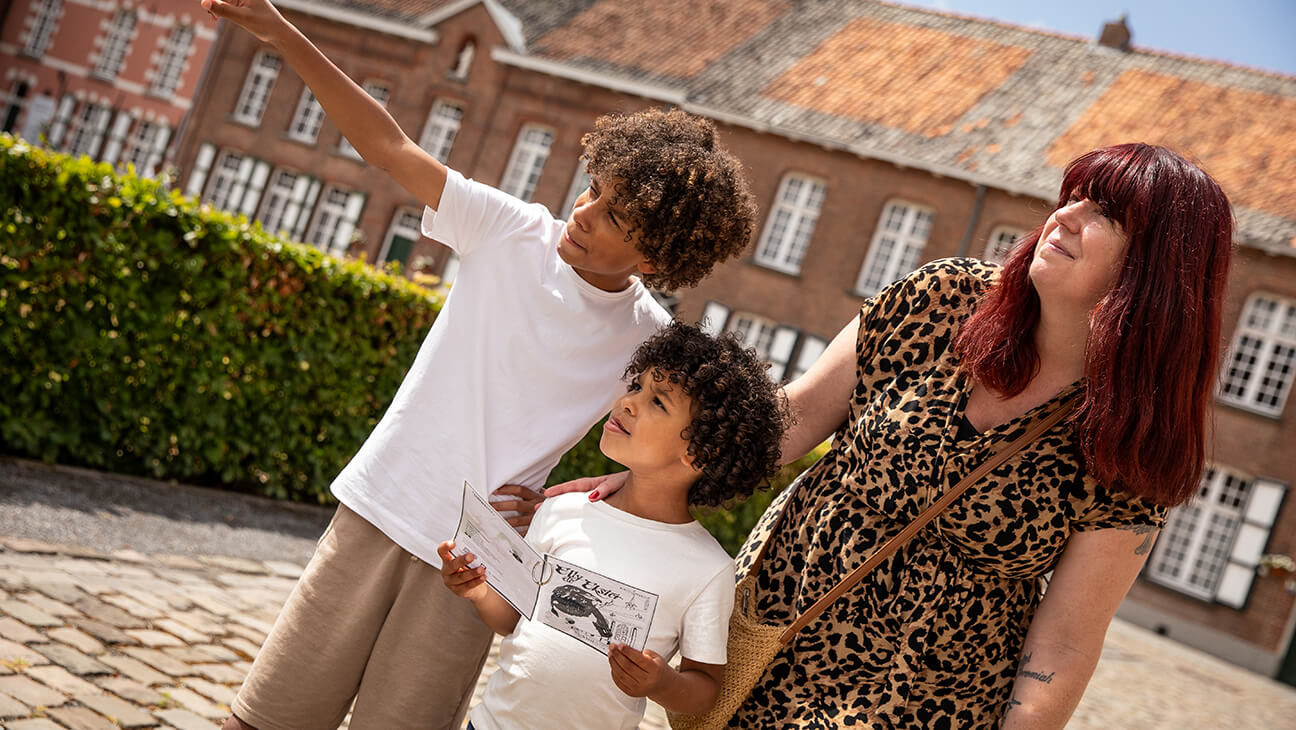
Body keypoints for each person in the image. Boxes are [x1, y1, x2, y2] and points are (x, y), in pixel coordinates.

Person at [200, 2, 757, 728]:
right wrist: (283, 32)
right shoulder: (510, 231)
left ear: (652, 259)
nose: (583, 213)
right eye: (593, 189)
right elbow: (391, 147)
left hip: (480, 562)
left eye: (614, 217)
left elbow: (677, 437)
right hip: (383, 506)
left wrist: (583, 492)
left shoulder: (647, 340)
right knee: (265, 718)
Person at [548, 143, 1235, 727]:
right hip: (779, 632)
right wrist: (649, 481)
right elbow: (792, 419)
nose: (1067, 216)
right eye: (1074, 195)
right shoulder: (944, 301)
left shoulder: (1136, 437)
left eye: (1105, 213)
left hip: (927, 705)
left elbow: (1066, 642)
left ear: (1157, 269)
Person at [440, 321, 787, 729]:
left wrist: (662, 683)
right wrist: (479, 590)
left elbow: (705, 688)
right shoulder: (561, 511)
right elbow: (512, 620)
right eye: (636, 386)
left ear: (698, 453)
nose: (627, 402)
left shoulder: (709, 569)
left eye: (658, 402)